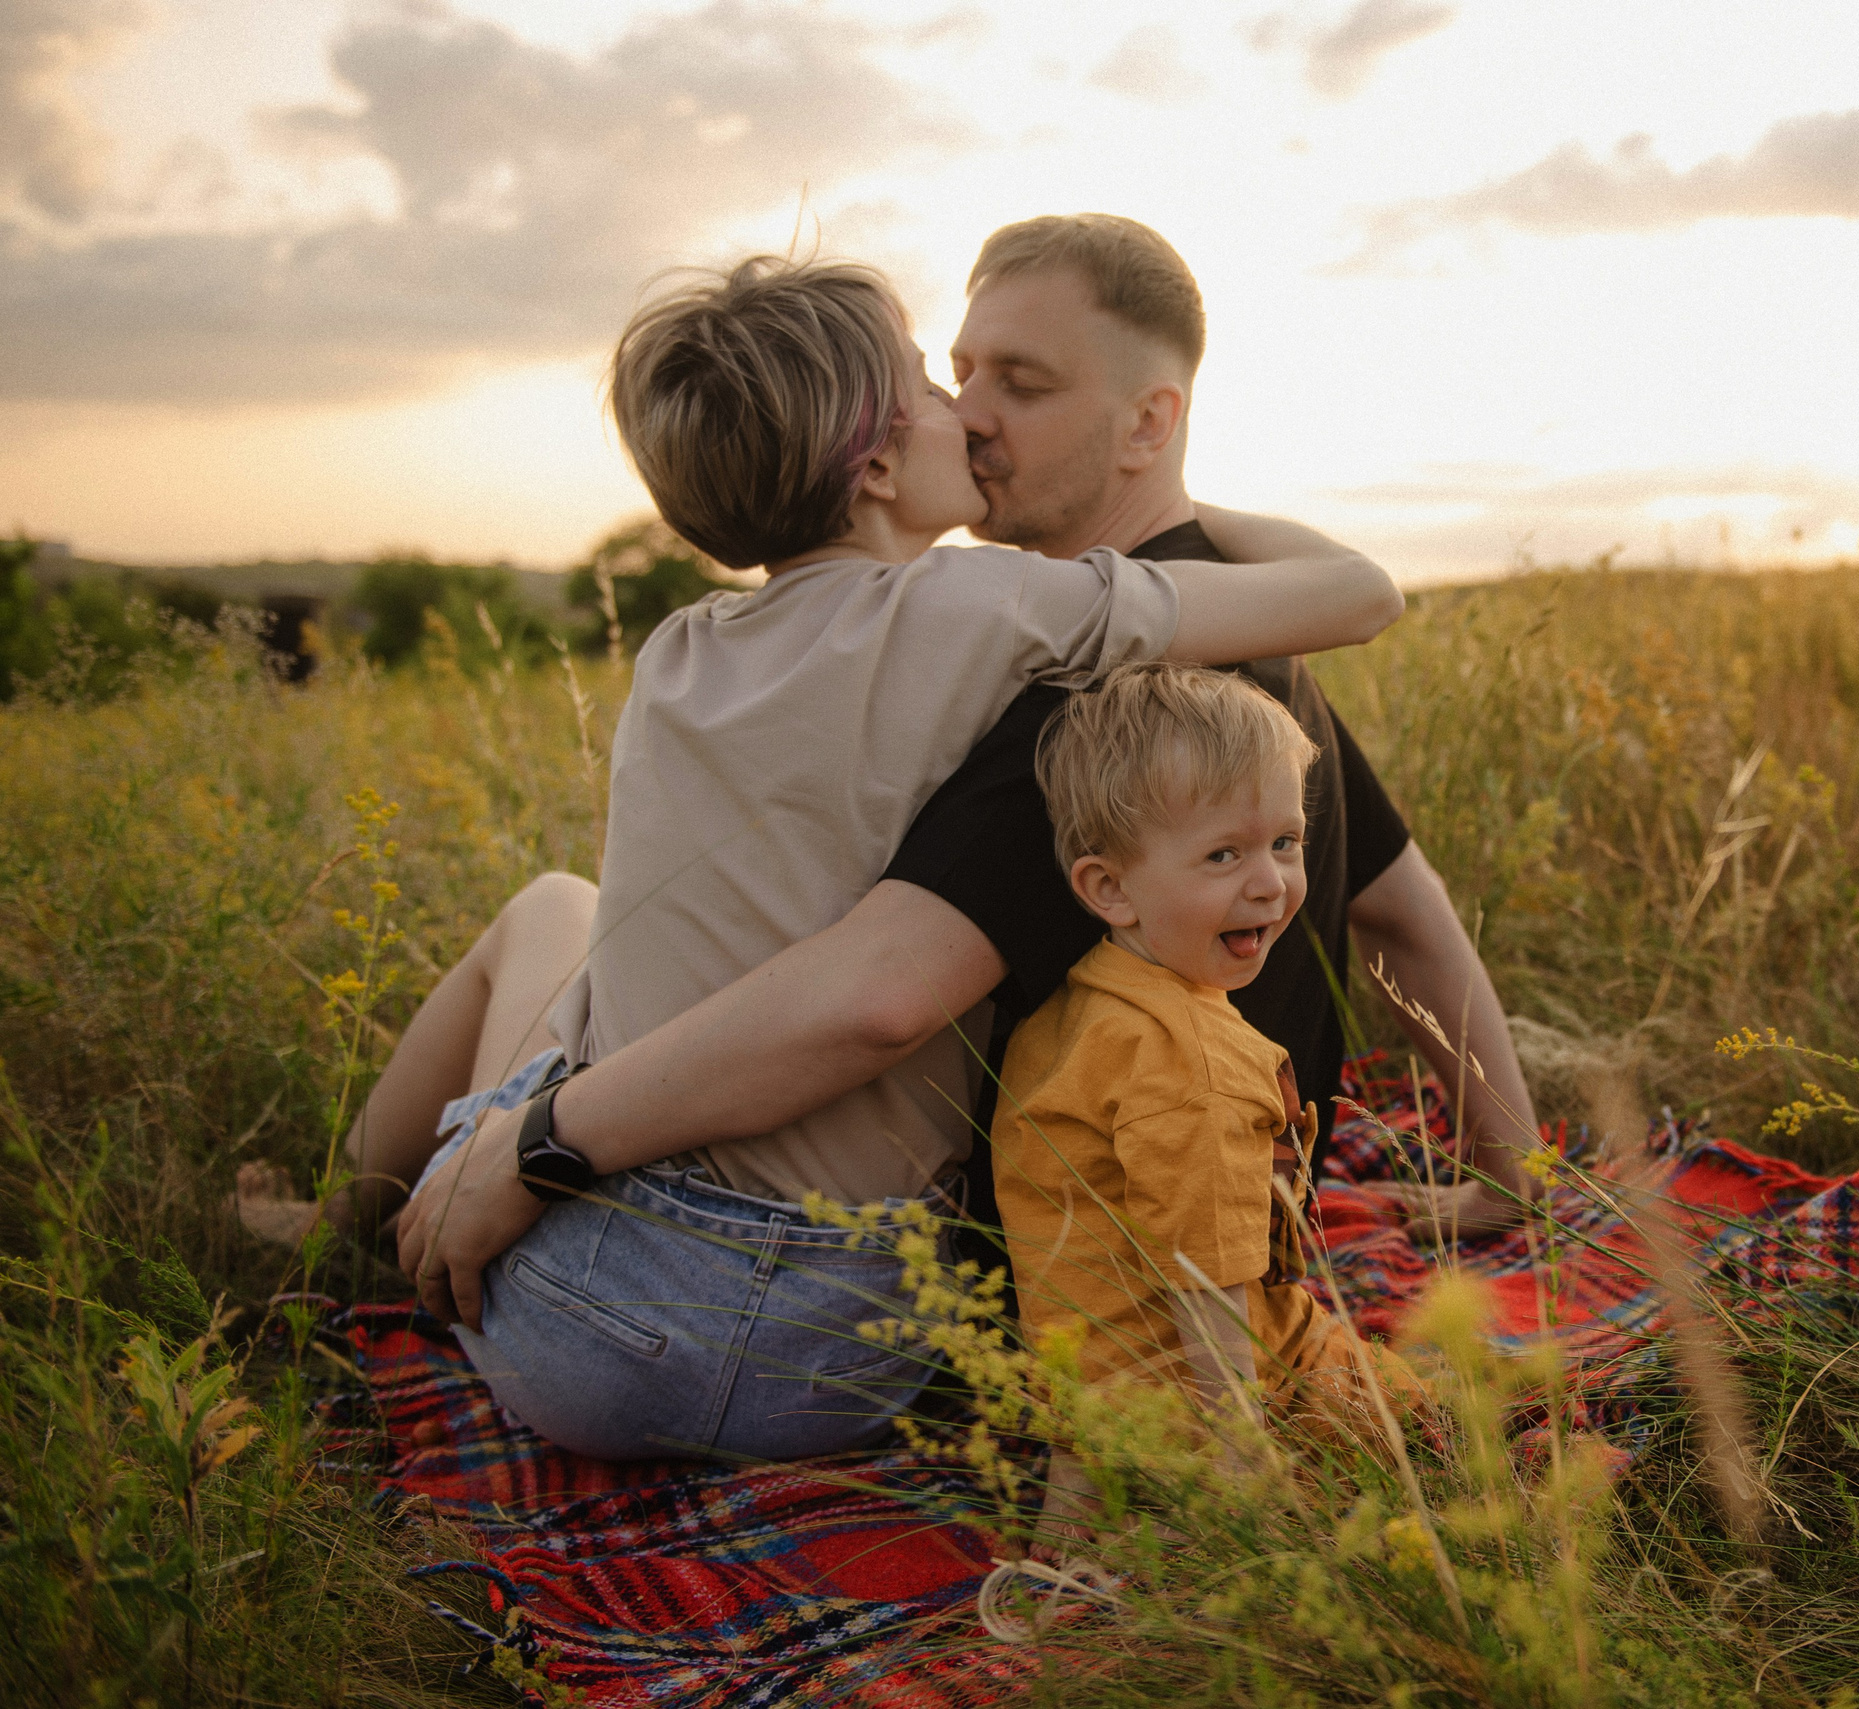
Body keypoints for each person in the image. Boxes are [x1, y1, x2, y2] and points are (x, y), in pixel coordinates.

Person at [357, 213, 1540, 1365]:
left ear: (1148, 421)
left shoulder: (1096, 693)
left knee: (554, 931)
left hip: (969, 1275)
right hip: (1019, 1219)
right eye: (955, 371)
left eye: (1017, 382)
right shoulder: (1227, 646)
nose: (969, 410)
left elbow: (876, 987)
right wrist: (1506, 1163)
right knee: (560, 912)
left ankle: (340, 1234)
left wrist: (539, 1143)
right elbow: (1402, 902)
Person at [991, 664, 1397, 1538]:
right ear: (1110, 888)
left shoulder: (1074, 1013)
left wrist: (1075, 1487)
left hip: (1100, 1402)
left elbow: (1082, 1271)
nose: (1270, 884)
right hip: (1252, 1386)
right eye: (1224, 853)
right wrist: (1241, 1448)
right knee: (1459, 1422)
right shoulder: (1194, 1059)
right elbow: (1206, 1273)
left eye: (1286, 842)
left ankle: (1083, 1547)